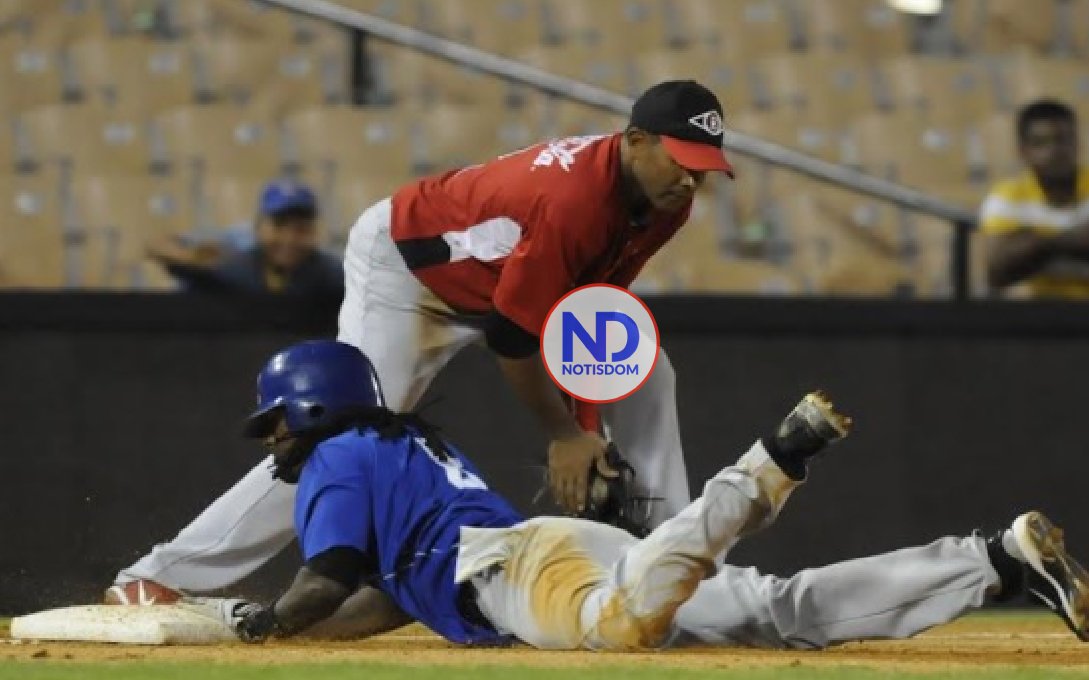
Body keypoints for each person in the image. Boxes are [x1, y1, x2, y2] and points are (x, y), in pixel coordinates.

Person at [107, 80, 734, 604]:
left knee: (647, 371)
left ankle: (673, 571)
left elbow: (592, 317)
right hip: (408, 270)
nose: (691, 179)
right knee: (344, 432)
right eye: (681, 158)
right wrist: (565, 436)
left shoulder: (665, 201)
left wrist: (590, 425)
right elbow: (511, 338)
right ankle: (159, 577)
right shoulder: (574, 198)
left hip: (494, 278)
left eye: (704, 166)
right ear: (635, 141)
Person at [192, 340, 1089, 649]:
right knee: (777, 613)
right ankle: (995, 560)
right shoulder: (397, 445)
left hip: (520, 579)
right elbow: (383, 595)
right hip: (536, 553)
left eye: (276, 421)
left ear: (313, 407)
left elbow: (326, 577)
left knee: (621, 625)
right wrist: (305, 625)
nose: (273, 438)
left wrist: (263, 624)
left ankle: (767, 465)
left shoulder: (337, 455)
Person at [981, 99, 1089, 300]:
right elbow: (998, 269)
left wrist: (1036, 241)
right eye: (1040, 143)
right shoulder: (1005, 195)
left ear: (1077, 144)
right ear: (1023, 151)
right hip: (1040, 313)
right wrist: (1081, 237)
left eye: (1063, 140)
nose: (1054, 151)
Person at [146, 178, 343, 297]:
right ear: (258, 227)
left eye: (301, 229)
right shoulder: (233, 264)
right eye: (279, 226)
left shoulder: (325, 271)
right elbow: (156, 245)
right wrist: (191, 258)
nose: (289, 239)